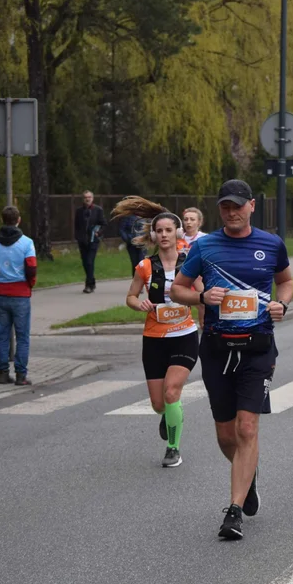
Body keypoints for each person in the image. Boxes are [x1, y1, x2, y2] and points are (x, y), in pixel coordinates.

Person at [170, 179, 293, 541]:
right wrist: (202, 297)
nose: (232, 212)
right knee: (226, 435)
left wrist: (281, 304)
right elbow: (178, 288)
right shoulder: (204, 247)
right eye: (225, 206)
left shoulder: (271, 245)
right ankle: (248, 474)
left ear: (252, 206)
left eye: (238, 205)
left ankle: (234, 510)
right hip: (216, 347)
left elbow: (285, 281)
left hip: (257, 348)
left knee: (247, 428)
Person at [119, 197, 203, 468]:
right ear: (154, 235)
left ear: (178, 233)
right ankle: (168, 415)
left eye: (170, 230)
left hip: (185, 335)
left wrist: (200, 313)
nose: (165, 235)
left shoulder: (190, 263)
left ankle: (173, 448)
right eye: (160, 231)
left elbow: (202, 294)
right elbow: (130, 297)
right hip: (154, 338)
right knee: (158, 403)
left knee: (171, 392)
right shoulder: (145, 266)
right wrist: (139, 304)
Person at [0, 206, 37, 386]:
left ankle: (3, 373)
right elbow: (31, 268)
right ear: (18, 220)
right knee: (22, 336)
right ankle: (21, 374)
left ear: (2, 219)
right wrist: (30, 283)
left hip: (1, 293)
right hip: (21, 294)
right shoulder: (26, 243)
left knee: (2, 335)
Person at [74, 191, 105, 293]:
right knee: (85, 263)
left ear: (93, 198)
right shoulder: (79, 211)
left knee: (89, 261)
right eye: (85, 197)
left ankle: (89, 285)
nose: (88, 199)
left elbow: (103, 224)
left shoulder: (98, 210)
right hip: (82, 241)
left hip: (93, 241)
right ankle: (92, 282)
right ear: (83, 199)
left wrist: (98, 233)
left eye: (89, 197)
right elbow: (77, 225)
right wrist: (78, 237)